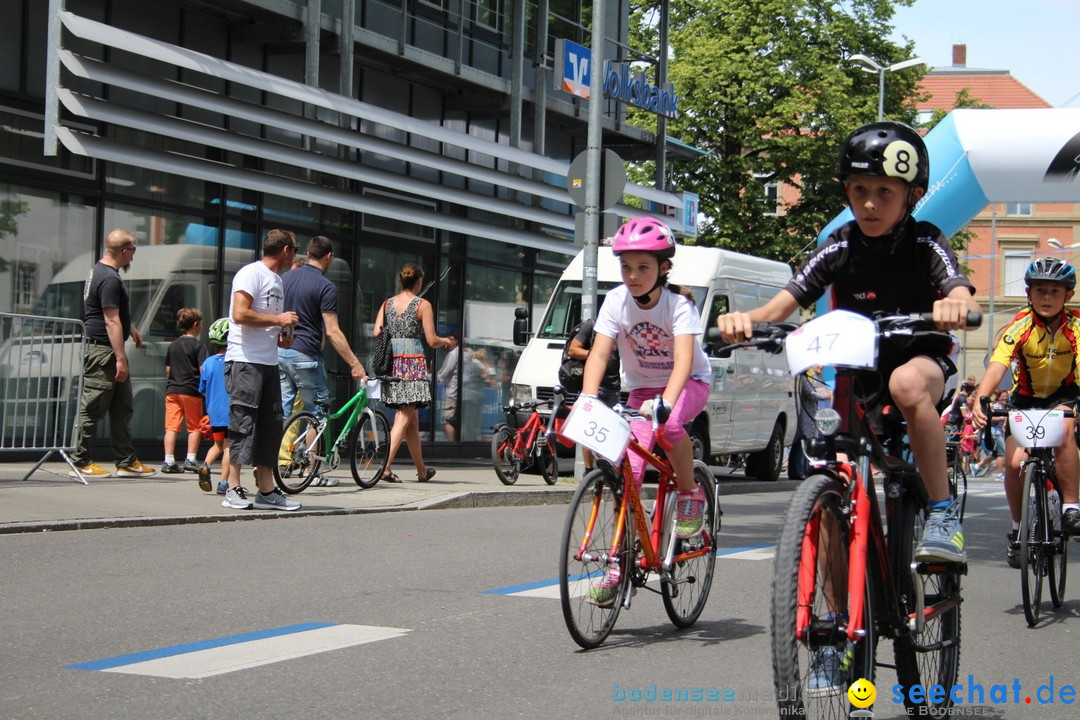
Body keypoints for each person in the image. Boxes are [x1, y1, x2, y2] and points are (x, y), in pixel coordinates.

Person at [580, 216, 712, 607]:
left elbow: (685, 361)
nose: (632, 276)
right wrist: (588, 400)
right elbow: (600, 352)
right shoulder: (615, 302)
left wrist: (667, 403)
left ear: (663, 268)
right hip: (640, 391)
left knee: (668, 427)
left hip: (687, 385)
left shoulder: (678, 305)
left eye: (642, 267)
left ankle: (689, 494)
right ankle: (619, 568)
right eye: (625, 267)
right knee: (629, 473)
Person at [971, 257, 1080, 568]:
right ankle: (1018, 527)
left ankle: (1071, 507)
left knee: (1065, 428)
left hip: (1065, 395)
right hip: (1025, 399)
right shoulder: (1019, 326)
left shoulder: (1076, 328)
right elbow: (998, 366)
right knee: (1015, 461)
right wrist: (982, 398)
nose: (1047, 297)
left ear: (1068, 296)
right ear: (1028, 294)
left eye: (1054, 292)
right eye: (1040, 290)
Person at [221, 228, 301, 511]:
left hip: (268, 361)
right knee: (242, 424)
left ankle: (266, 491)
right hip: (245, 360)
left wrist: (281, 333)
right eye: (295, 249)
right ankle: (232, 488)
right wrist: (278, 319)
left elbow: (266, 321)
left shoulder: (277, 281)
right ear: (286, 250)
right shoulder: (250, 273)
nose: (296, 254)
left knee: (270, 426)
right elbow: (239, 314)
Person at [279, 235, 367, 487]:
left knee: (283, 413)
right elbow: (332, 331)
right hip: (305, 355)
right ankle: (311, 472)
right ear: (329, 257)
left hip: (280, 353)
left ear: (307, 253)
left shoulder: (285, 278)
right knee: (315, 414)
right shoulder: (325, 286)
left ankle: (272, 466)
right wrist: (354, 363)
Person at [69, 229, 156, 479]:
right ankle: (80, 460)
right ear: (125, 251)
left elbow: (111, 314)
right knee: (93, 406)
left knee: (122, 407)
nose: (132, 258)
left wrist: (133, 329)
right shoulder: (109, 278)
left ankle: (126, 461)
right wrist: (119, 357)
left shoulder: (100, 272)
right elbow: (109, 320)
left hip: (105, 349)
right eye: (133, 253)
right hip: (103, 351)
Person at [373, 262, 452, 483]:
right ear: (418, 282)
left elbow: (376, 331)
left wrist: (394, 334)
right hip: (413, 365)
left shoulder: (387, 303)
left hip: (392, 363)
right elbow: (431, 339)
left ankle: (422, 470)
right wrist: (444, 341)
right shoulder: (422, 304)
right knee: (404, 416)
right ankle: (385, 468)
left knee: (412, 421)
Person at [564, 317, 621, 473]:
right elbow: (573, 349)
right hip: (592, 386)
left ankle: (606, 471)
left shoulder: (624, 327)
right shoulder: (593, 325)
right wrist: (594, 354)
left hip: (613, 387)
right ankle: (589, 471)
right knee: (587, 430)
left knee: (609, 432)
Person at [161, 307, 208, 475]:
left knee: (171, 427)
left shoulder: (173, 345)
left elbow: (168, 369)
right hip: (191, 390)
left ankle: (169, 461)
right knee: (194, 427)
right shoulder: (199, 346)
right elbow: (203, 369)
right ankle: (191, 459)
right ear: (196, 325)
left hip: (172, 390)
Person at [199, 317, 233, 495]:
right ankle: (224, 483)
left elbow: (203, 389)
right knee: (229, 446)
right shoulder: (234, 363)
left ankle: (205, 466)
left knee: (217, 444)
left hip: (214, 412)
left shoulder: (207, 363)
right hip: (229, 411)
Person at [788, 365, 832, 480]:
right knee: (802, 445)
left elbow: (811, 391)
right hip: (805, 415)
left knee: (802, 444)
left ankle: (799, 470)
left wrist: (818, 390)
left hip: (806, 414)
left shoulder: (802, 378)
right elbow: (811, 394)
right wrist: (826, 395)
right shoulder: (801, 378)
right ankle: (797, 471)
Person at [437, 332, 463, 441]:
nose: (448, 341)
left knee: (446, 420)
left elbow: (444, 373)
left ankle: (451, 444)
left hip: (452, 392)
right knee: (459, 421)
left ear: (457, 341)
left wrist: (431, 377)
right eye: (447, 339)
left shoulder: (453, 354)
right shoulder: (463, 352)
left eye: (451, 339)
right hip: (459, 392)